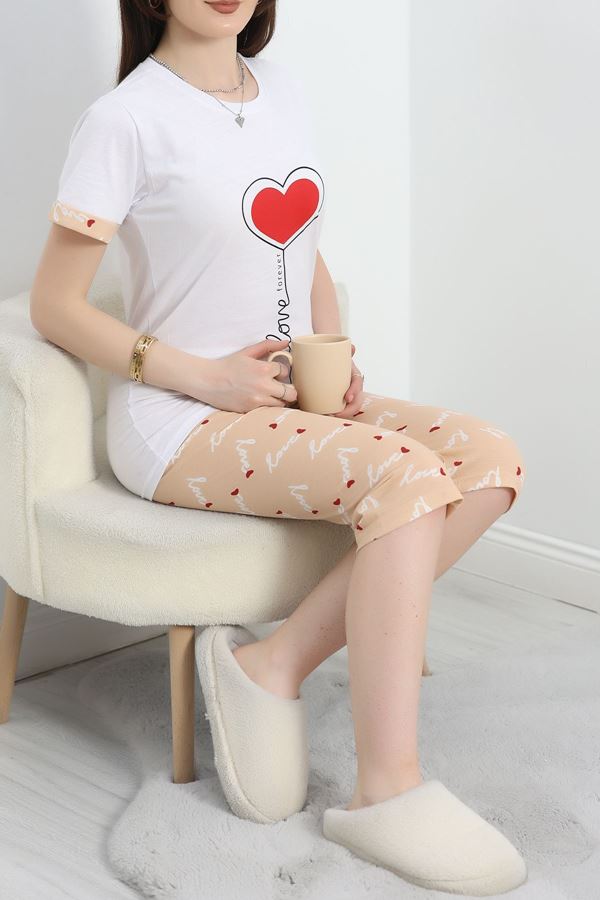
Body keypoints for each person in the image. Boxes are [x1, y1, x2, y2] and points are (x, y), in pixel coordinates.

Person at [31, 0, 528, 893]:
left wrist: (332, 364)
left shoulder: (282, 92)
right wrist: (205, 377)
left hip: (287, 400)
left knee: (489, 461)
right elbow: (55, 306)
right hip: (180, 423)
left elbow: (304, 249)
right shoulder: (125, 119)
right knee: (408, 480)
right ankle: (386, 790)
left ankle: (273, 661)